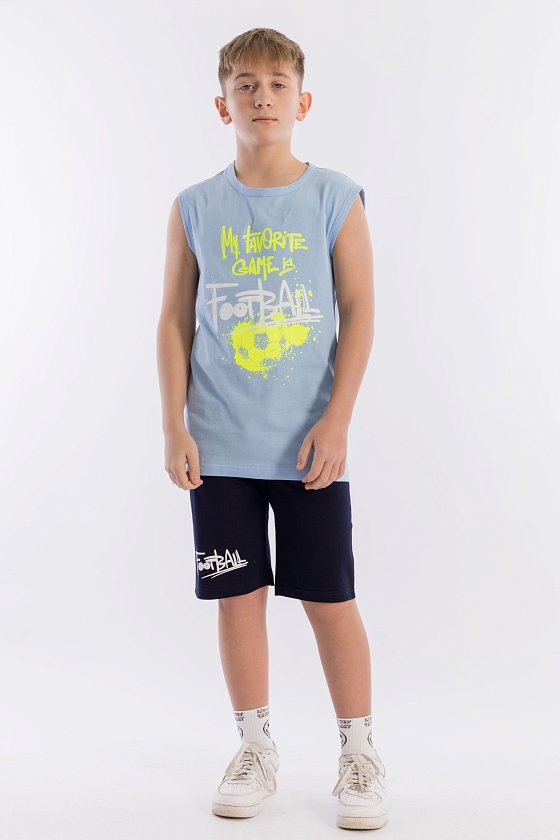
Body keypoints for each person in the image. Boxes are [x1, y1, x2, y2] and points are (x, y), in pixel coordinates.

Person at [156, 26, 388, 831]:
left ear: (303, 101)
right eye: (246, 85)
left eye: (278, 85)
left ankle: (359, 753)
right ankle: (255, 748)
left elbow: (359, 309)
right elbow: (173, 322)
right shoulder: (195, 207)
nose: (263, 98)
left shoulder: (334, 196)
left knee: (330, 599)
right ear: (222, 104)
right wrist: (174, 426)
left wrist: (339, 418)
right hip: (220, 445)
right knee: (237, 599)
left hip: (309, 447)